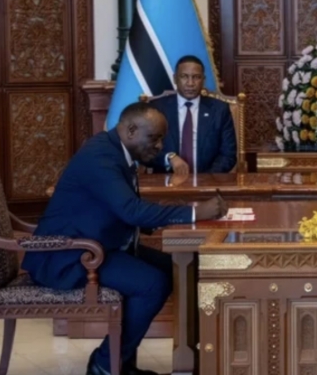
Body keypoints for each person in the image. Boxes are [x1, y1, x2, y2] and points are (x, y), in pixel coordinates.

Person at [21, 102, 228, 375]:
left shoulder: (116, 149)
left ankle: (180, 359)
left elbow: (125, 209)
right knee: (152, 284)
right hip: (67, 255)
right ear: (131, 130)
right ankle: (106, 364)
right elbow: (131, 210)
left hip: (97, 245)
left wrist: (177, 214)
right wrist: (194, 212)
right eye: (154, 138)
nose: (159, 146)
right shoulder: (100, 156)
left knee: (180, 268)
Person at [148, 55, 237, 174]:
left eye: (196, 77)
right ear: (175, 79)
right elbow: (146, 150)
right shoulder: (157, 108)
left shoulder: (219, 110)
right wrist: (169, 158)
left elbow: (228, 154)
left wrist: (207, 179)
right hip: (166, 180)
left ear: (203, 80)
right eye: (184, 77)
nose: (190, 83)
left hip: (208, 180)